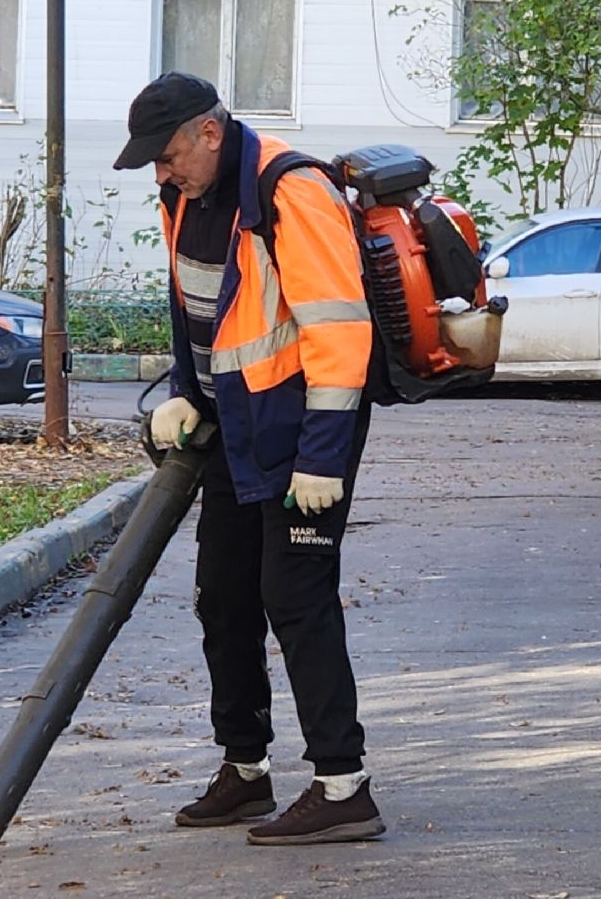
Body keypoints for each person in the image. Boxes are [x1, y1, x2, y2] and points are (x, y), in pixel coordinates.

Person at [113, 72, 384, 845]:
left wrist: (323, 458)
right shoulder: (185, 196)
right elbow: (198, 307)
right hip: (233, 425)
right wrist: (185, 390)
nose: (160, 174)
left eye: (165, 156)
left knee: (294, 598)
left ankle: (343, 785)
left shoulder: (290, 190)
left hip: (303, 431)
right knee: (223, 595)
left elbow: (338, 332)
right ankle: (245, 771)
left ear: (208, 131)